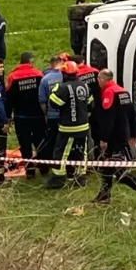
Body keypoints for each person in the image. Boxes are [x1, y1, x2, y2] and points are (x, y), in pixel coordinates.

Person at [93, 69, 136, 205]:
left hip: (114, 137)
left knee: (118, 170)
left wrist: (104, 139)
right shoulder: (123, 91)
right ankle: (104, 195)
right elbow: (132, 114)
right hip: (124, 134)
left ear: (103, 79)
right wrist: (133, 133)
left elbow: (108, 119)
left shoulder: (109, 93)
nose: (98, 81)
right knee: (107, 166)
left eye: (99, 79)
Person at [45, 61, 93, 189]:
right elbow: (90, 105)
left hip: (68, 127)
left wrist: (55, 90)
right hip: (84, 125)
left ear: (64, 74)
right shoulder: (84, 85)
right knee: (81, 151)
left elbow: (53, 103)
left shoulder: (62, 87)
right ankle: (80, 178)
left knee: (61, 152)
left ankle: (58, 179)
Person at [5, 52, 45, 179]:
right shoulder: (39, 74)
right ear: (31, 61)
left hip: (21, 117)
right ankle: (44, 168)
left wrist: (8, 117)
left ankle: (30, 171)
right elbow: (43, 95)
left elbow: (8, 99)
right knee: (40, 142)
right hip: (38, 116)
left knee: (25, 144)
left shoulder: (12, 77)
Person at [37, 55, 64, 174]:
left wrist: (46, 114)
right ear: (61, 62)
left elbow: (42, 101)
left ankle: (52, 165)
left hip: (52, 115)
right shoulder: (65, 76)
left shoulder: (45, 79)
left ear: (50, 64)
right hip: (65, 116)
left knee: (51, 141)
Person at [71, 55, 100, 156]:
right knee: (97, 133)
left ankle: (86, 155)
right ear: (83, 61)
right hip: (98, 106)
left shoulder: (75, 75)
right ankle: (98, 155)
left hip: (82, 109)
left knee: (84, 135)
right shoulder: (95, 71)